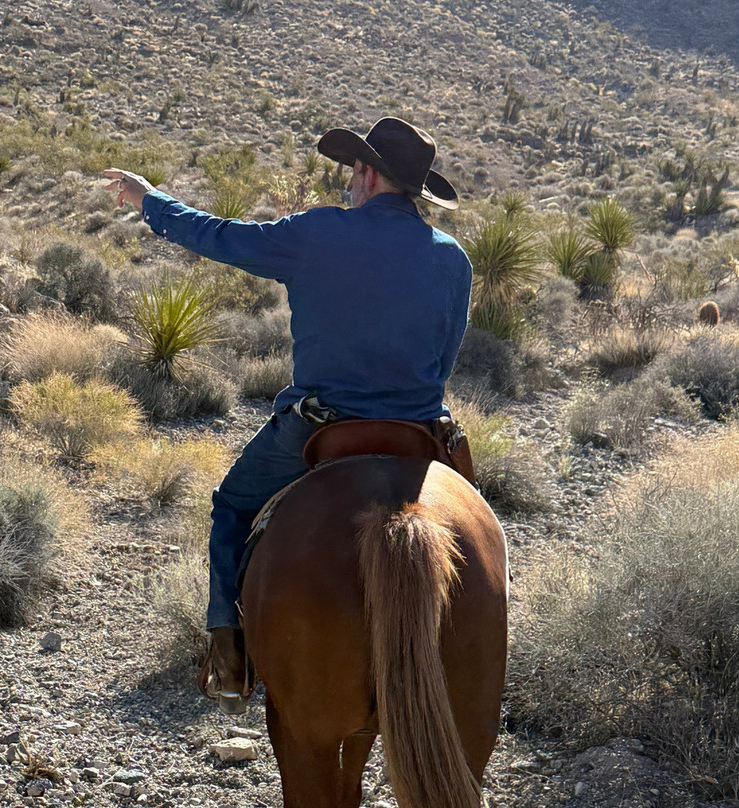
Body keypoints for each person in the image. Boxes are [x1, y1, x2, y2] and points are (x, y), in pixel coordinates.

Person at [104, 117, 472, 709]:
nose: (351, 182)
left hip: (323, 427)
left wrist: (153, 201)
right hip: (419, 434)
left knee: (232, 505)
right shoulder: (453, 259)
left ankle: (230, 659)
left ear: (368, 173)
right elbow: (445, 358)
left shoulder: (321, 233)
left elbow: (221, 235)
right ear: (414, 190)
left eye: (354, 171)